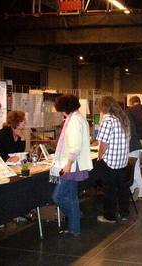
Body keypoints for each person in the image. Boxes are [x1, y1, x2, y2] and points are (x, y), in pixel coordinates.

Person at [51, 94, 93, 236]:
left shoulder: (74, 121)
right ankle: (75, 228)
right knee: (72, 197)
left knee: (58, 197)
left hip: (72, 165)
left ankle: (76, 217)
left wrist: (68, 163)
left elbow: (75, 146)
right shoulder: (78, 118)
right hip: (75, 164)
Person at [97, 96, 130, 223]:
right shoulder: (121, 119)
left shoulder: (107, 121)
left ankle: (109, 216)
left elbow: (103, 144)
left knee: (109, 189)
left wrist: (100, 156)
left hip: (110, 161)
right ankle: (124, 212)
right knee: (122, 188)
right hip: (121, 160)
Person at [127, 112, 142, 201]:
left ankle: (138, 191)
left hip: (131, 148)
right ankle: (138, 191)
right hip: (136, 146)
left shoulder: (122, 117)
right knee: (135, 170)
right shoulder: (127, 115)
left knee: (134, 171)